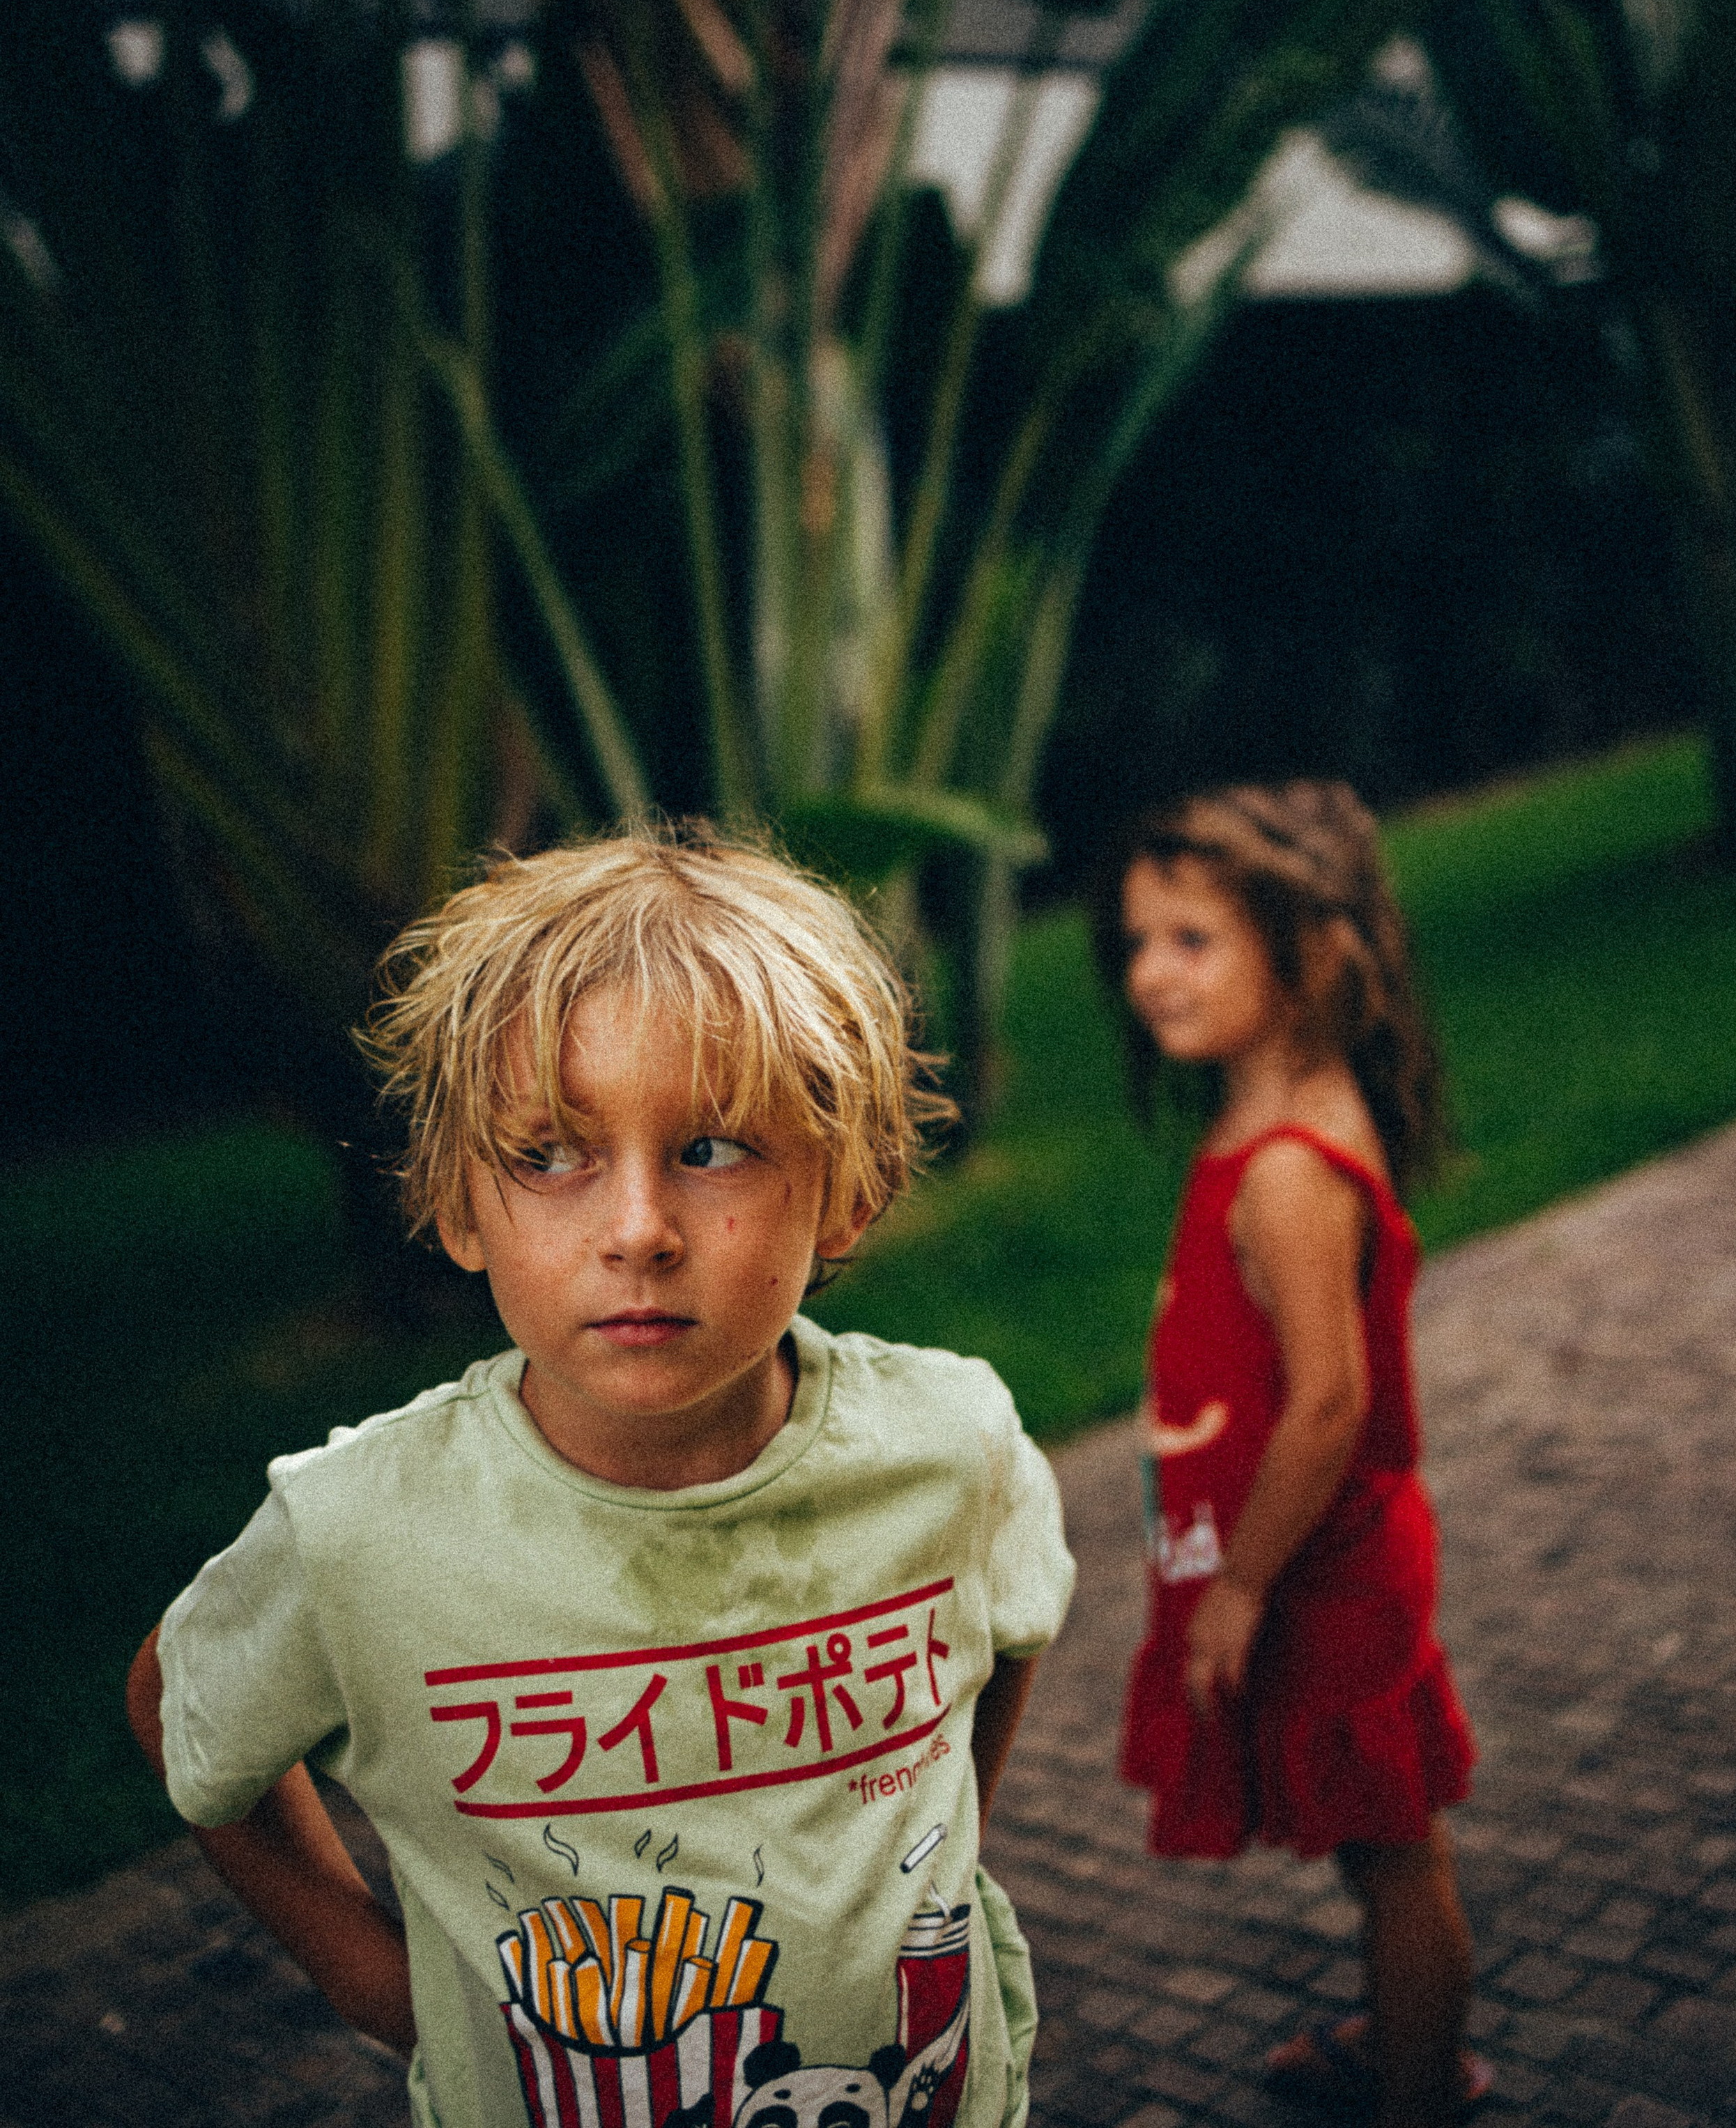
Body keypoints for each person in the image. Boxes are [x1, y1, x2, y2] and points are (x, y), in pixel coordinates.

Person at [127, 824, 1073, 2128]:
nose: (636, 1231)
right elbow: (181, 1708)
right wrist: (367, 1975)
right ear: (458, 1207)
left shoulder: (951, 1443)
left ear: (846, 1191)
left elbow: (1010, 1622)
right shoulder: (359, 1533)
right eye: (549, 1154)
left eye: (712, 1148)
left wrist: (934, 1851)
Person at [1091, 782, 1482, 2128]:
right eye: (1140, 941)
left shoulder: (1289, 1169)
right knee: (1379, 1842)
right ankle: (1404, 2036)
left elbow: (1328, 1406)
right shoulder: (1272, 1116)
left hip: (1322, 1570)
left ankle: (1420, 2089)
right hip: (1310, 1554)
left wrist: (1243, 1585)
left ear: (1309, 956)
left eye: (1191, 941)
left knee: (1394, 1854)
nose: (1148, 974)